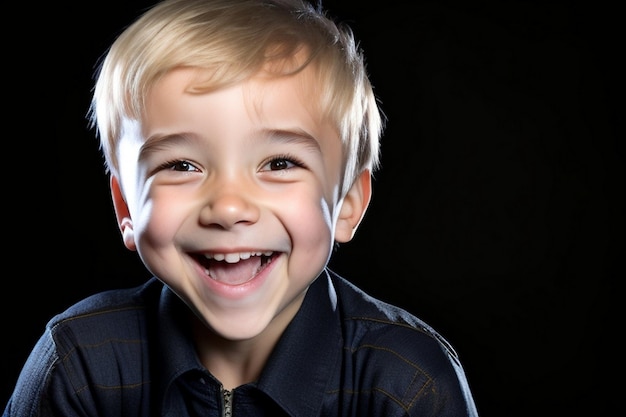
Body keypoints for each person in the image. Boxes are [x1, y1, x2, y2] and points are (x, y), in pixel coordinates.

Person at [4, 0, 479, 415]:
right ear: (126, 206)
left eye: (278, 162)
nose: (229, 208)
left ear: (348, 204)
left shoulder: (406, 382)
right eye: (182, 165)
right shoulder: (80, 363)